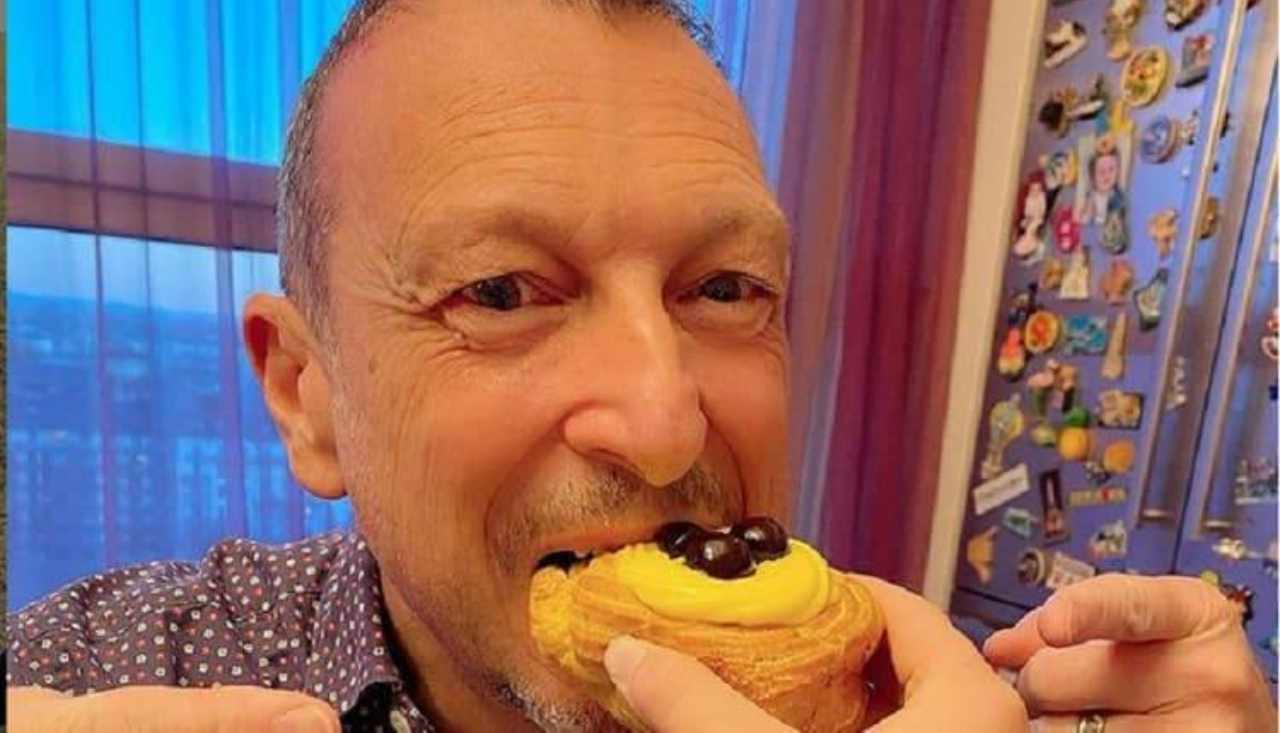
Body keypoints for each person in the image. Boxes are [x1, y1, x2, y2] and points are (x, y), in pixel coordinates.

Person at [8, 1, 1275, 731]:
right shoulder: (109, 670)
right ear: (307, 394)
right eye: (501, 293)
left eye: (724, 290)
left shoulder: (949, 700)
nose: (666, 425)